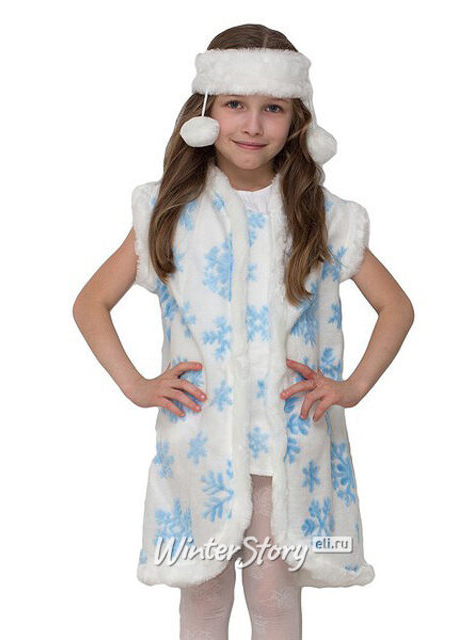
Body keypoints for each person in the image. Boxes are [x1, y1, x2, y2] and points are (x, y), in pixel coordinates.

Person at [73, 23, 414, 640]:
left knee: (273, 596)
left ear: (297, 120)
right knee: (203, 596)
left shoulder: (325, 217)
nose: (253, 125)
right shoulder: (166, 211)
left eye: (272, 109)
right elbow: (92, 303)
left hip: (287, 446)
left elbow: (395, 307)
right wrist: (137, 385)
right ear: (206, 112)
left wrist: (353, 386)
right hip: (201, 441)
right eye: (235, 104)